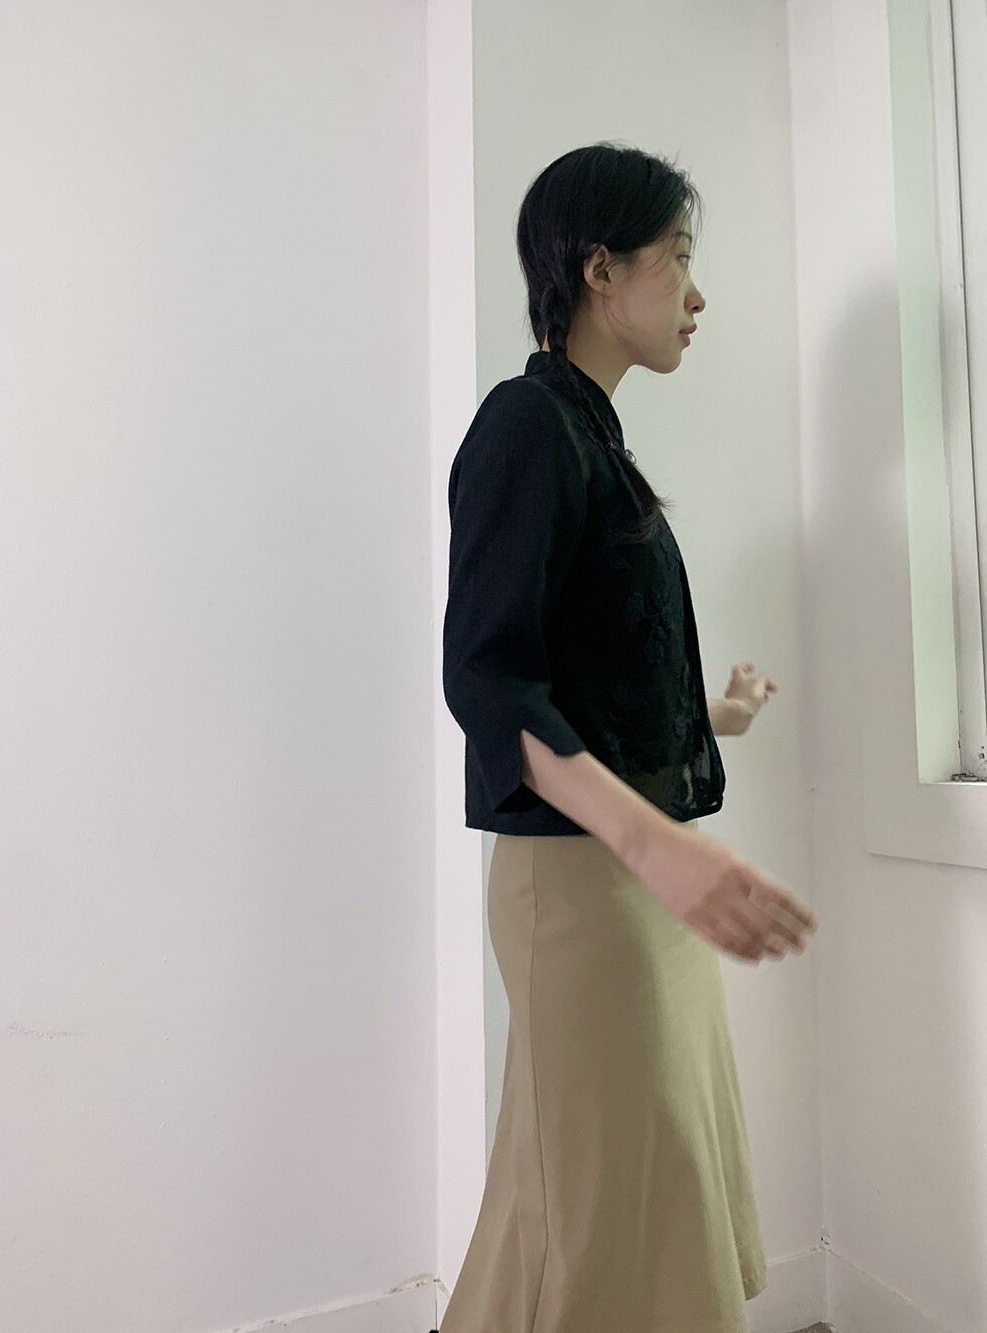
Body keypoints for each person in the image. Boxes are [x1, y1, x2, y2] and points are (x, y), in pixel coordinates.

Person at [439, 141, 819, 1333]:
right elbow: (491, 680)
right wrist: (659, 846)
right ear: (601, 270)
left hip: (633, 877)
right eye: (679, 258)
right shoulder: (525, 426)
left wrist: (716, 712)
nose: (697, 295)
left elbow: (587, 677)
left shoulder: (588, 436)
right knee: (598, 1211)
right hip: (585, 884)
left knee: (610, 1196)